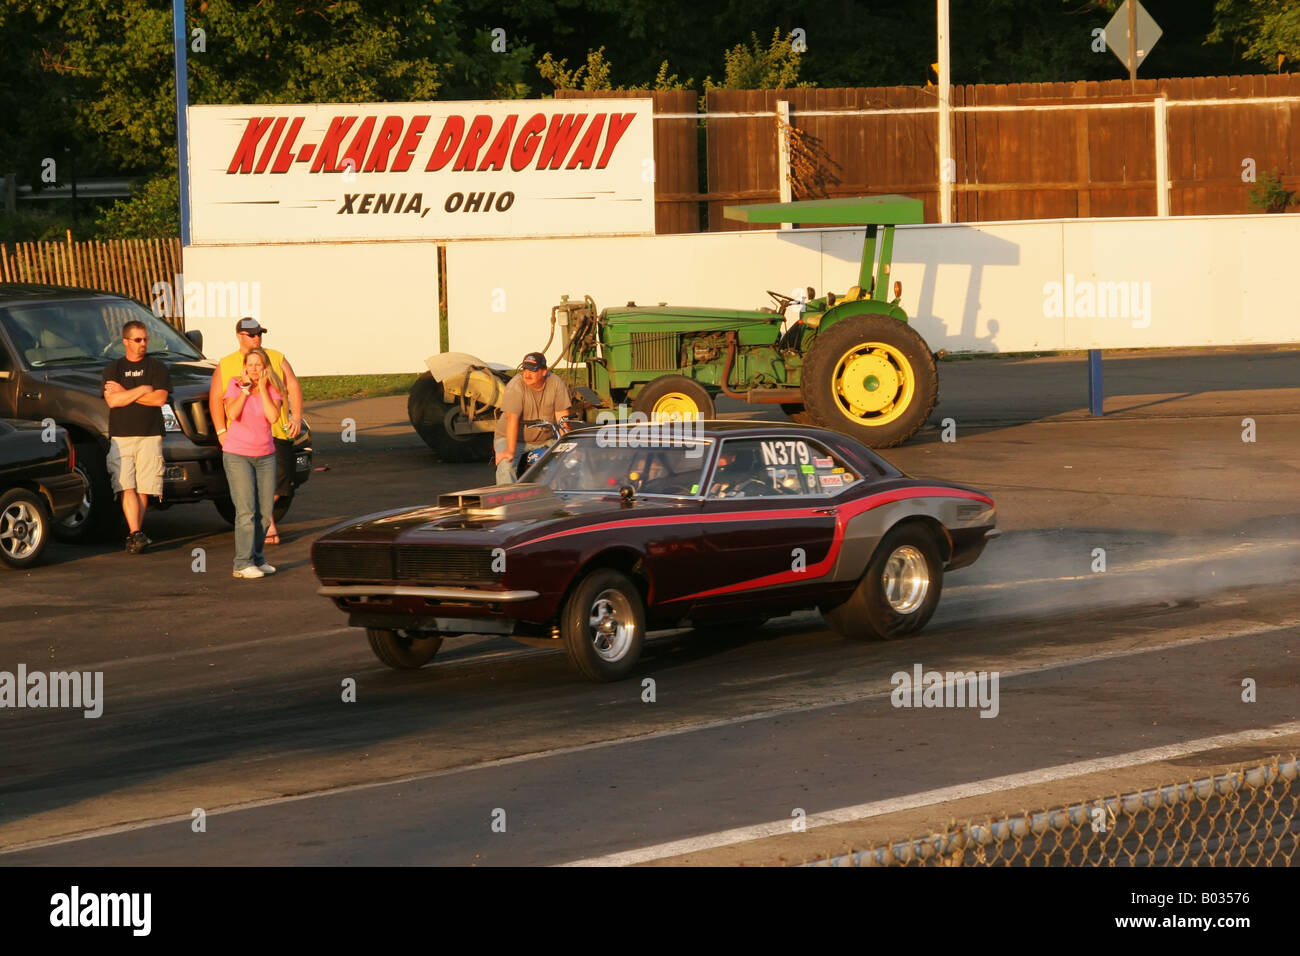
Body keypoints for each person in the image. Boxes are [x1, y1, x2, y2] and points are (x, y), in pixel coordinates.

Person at [209, 317, 303, 545]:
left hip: (275, 432)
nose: (257, 338)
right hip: (241, 437)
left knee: (282, 480)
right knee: (249, 486)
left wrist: (297, 416)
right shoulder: (226, 363)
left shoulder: (276, 357)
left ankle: (262, 517)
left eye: (260, 333)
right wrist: (221, 430)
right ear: (240, 335)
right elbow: (215, 398)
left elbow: (292, 384)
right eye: (252, 334)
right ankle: (265, 525)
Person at [102, 319, 171, 554]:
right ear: (126, 342)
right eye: (138, 340)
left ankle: (135, 533)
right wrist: (143, 390)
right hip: (122, 436)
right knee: (125, 484)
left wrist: (127, 393)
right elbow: (113, 400)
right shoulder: (113, 369)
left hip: (150, 434)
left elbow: (160, 399)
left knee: (144, 486)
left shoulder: (157, 367)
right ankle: (136, 533)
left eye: (145, 339)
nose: (143, 344)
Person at [221, 347, 284, 579]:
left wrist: (264, 390)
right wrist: (245, 392)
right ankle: (241, 563)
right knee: (246, 511)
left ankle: (257, 557)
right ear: (244, 366)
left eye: (258, 365)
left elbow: (273, 417)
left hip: (265, 455)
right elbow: (232, 414)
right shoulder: (234, 384)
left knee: (265, 513)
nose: (254, 369)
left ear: (265, 367)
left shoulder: (273, 387)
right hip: (238, 454)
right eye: (250, 364)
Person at [493, 351, 571, 485]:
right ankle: (508, 502)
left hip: (545, 438)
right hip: (513, 439)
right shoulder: (515, 386)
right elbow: (512, 420)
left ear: (544, 371)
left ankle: (565, 499)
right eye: (525, 369)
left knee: (570, 462)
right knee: (506, 465)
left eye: (533, 370)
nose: (527, 374)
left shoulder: (556, 383)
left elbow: (562, 420)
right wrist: (510, 451)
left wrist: (569, 447)